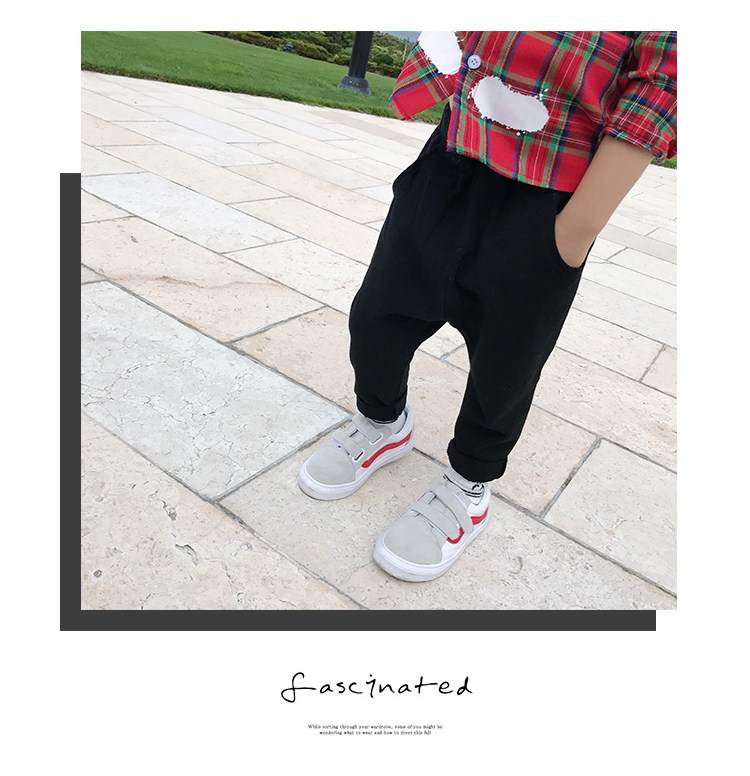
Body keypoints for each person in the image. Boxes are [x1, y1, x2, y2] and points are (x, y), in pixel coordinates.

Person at [298, 31, 677, 582]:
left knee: (506, 365)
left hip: (549, 192)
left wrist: (576, 230)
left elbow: (659, 88)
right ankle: (382, 420)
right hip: (452, 157)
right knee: (378, 315)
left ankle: (469, 481)